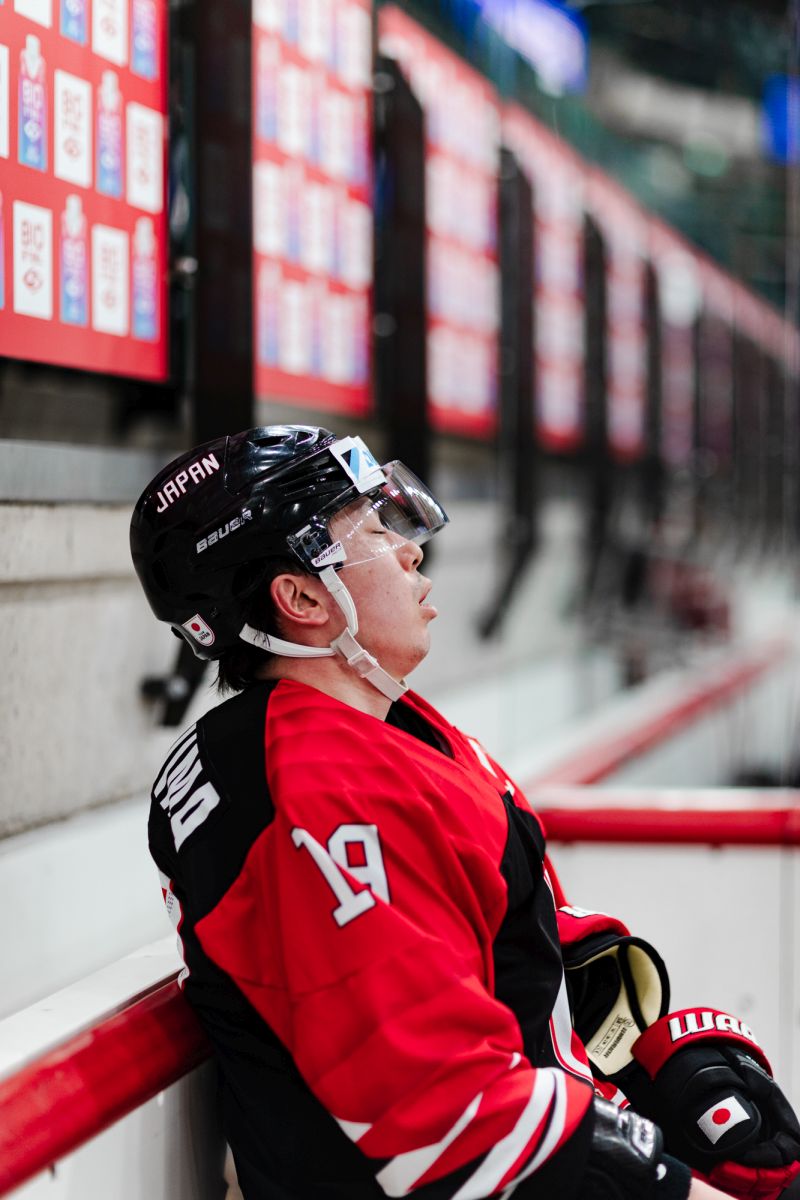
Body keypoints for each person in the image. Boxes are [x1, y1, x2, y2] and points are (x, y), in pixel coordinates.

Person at [131, 425, 800, 1200]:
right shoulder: (313, 793)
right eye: (373, 531)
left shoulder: (380, 726)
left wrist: (652, 1053)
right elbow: (447, 1118)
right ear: (304, 598)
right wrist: (661, 1177)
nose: (411, 550)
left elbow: (504, 923)